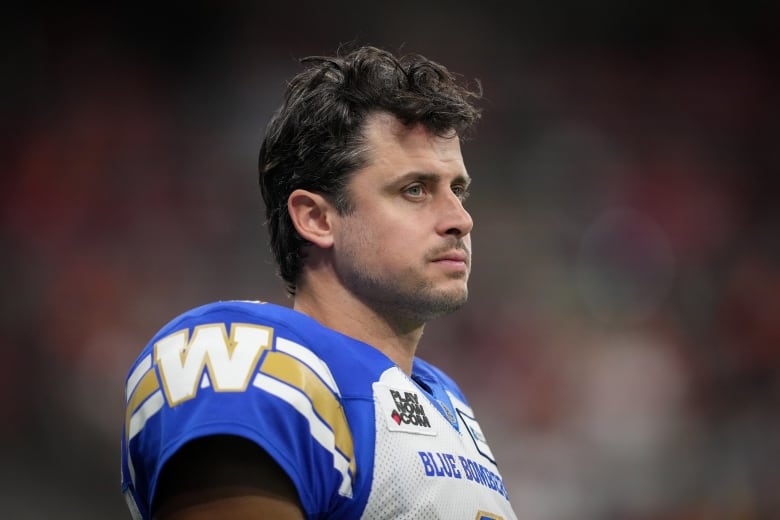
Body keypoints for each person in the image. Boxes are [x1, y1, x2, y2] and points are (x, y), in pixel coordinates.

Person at [121, 44, 517, 520]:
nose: (460, 219)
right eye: (415, 190)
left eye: (458, 190)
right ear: (317, 218)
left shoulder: (445, 399)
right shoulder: (246, 358)